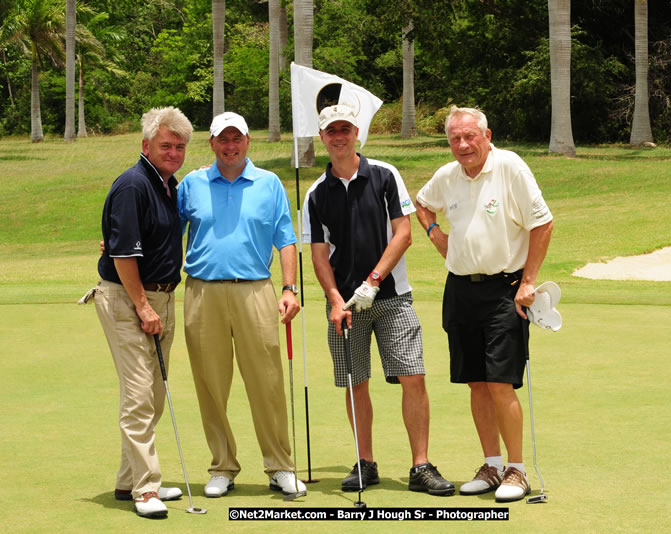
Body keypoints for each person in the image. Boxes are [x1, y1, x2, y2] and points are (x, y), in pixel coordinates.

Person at [302, 104, 454, 496]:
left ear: (357, 133)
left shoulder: (385, 176)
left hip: (392, 296)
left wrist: (373, 281)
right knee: (356, 382)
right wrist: (336, 299)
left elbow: (403, 233)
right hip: (345, 307)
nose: (338, 136)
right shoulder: (315, 194)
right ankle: (364, 462)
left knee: (413, 376)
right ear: (323, 138)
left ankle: (420, 466)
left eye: (345, 129)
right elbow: (319, 255)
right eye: (331, 130)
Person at [415, 106, 554, 503]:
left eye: (469, 137)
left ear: (486, 135)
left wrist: (528, 282)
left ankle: (517, 469)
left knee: (499, 382)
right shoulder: (448, 175)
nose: (462, 145)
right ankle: (491, 465)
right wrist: (435, 234)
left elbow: (543, 223)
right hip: (460, 290)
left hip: (503, 290)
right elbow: (421, 203)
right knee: (475, 381)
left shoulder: (509, 167)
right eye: (455, 139)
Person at [176, 112, 305, 498]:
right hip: (202, 293)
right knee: (211, 383)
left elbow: (285, 238)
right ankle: (222, 466)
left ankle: (280, 466)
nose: (230, 146)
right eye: (222, 139)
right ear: (212, 143)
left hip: (256, 290)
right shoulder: (191, 184)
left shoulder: (269, 183)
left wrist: (289, 288)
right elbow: (165, 230)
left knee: (266, 382)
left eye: (237, 139)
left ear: (248, 142)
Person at [89, 106, 193, 519]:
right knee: (138, 395)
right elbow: (122, 254)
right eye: (165, 145)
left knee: (150, 396)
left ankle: (128, 479)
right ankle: (145, 490)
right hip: (129, 300)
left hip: (160, 298)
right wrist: (143, 305)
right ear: (146, 145)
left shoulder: (168, 184)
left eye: (179, 147)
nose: (173, 152)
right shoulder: (134, 185)